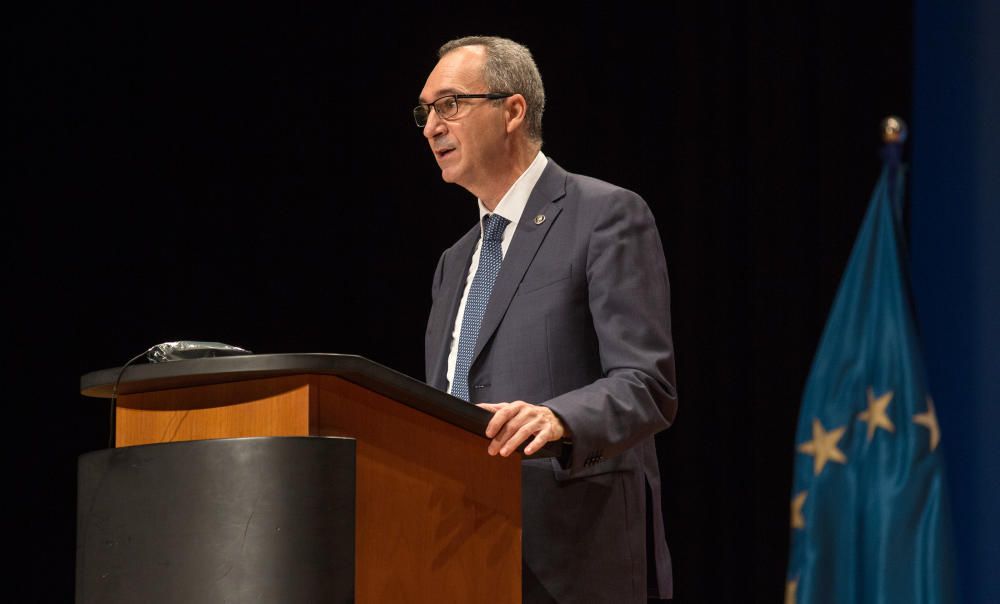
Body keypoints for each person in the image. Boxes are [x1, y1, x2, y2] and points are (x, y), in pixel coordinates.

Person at [417, 36, 678, 603]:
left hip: (574, 558)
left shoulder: (605, 215)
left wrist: (558, 418)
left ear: (512, 111)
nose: (431, 125)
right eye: (425, 110)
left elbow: (647, 386)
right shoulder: (452, 263)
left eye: (450, 104)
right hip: (459, 554)